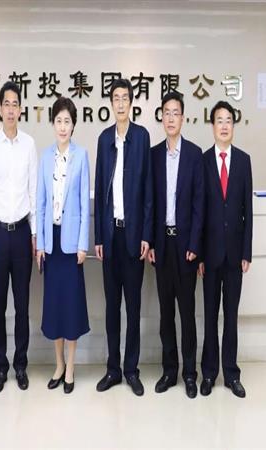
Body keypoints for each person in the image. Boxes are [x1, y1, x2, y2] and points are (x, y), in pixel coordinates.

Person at [94, 78, 153, 395]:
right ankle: (113, 369)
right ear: (111, 103)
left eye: (124, 98)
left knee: (133, 307)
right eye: (115, 98)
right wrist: (98, 237)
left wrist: (146, 234)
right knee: (112, 307)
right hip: (110, 236)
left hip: (133, 237)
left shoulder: (141, 137)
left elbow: (148, 190)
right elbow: (100, 187)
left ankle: (131, 370)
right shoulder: (104, 139)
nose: (120, 103)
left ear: (131, 103)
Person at [0, 81, 37, 393]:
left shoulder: (29, 145)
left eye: (15, 104)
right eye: (7, 104)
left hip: (23, 234)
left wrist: (36, 234)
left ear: (20, 109)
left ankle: (21, 365)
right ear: (0, 108)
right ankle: (1, 368)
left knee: (23, 306)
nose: (11, 109)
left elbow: (34, 193)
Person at [148, 92, 204, 398]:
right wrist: (151, 242)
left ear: (183, 118)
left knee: (187, 311)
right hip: (162, 245)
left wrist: (195, 243)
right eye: (166, 113)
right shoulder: (154, 155)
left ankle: (190, 373)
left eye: (176, 113)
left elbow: (199, 205)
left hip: (186, 248)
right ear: (162, 117)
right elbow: (151, 203)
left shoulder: (194, 154)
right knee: (166, 312)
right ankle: (169, 371)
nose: (171, 118)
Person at [36, 97, 90, 394]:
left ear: (73, 125)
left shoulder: (82, 156)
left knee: (71, 307)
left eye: (67, 121)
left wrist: (83, 244)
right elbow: (41, 202)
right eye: (58, 120)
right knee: (54, 307)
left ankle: (71, 366)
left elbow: (83, 203)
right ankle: (58, 364)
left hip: (71, 245)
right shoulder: (45, 157)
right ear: (53, 123)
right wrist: (40, 244)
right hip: (51, 243)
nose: (62, 126)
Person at [199, 101, 253, 398]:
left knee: (231, 316)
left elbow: (248, 211)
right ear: (212, 126)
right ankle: (209, 373)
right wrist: (199, 255)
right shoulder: (204, 161)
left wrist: (246, 252)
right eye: (219, 120)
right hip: (209, 256)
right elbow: (200, 211)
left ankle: (231, 374)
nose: (224, 125)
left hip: (234, 255)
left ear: (233, 125)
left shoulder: (243, 161)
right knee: (210, 316)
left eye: (228, 120)